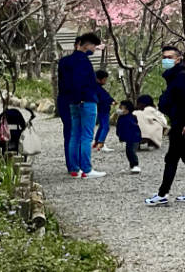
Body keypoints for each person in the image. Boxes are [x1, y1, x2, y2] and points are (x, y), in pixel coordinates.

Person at [149, 45, 185, 205]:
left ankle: (162, 193)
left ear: (178, 59)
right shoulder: (174, 77)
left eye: (170, 57)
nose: (166, 60)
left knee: (172, 159)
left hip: (182, 124)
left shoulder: (182, 77)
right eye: (164, 57)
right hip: (179, 121)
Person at [56, 32, 104, 177]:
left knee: (73, 135)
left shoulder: (64, 61)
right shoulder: (84, 62)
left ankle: (74, 168)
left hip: (69, 101)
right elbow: (83, 83)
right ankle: (87, 169)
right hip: (85, 100)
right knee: (87, 136)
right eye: (94, 46)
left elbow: (63, 83)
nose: (95, 49)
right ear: (87, 45)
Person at [115, 100, 144, 173]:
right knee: (129, 152)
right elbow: (119, 128)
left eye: (121, 108)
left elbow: (132, 128)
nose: (119, 110)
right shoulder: (121, 117)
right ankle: (133, 166)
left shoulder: (130, 118)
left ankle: (135, 165)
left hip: (134, 137)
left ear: (127, 110)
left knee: (131, 151)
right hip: (129, 138)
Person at [92, 69, 115, 155]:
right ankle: (101, 143)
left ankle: (96, 142)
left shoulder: (95, 88)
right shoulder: (98, 89)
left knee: (102, 126)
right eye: (104, 79)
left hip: (100, 109)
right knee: (106, 127)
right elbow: (104, 98)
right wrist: (111, 101)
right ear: (99, 79)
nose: (105, 81)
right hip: (103, 109)